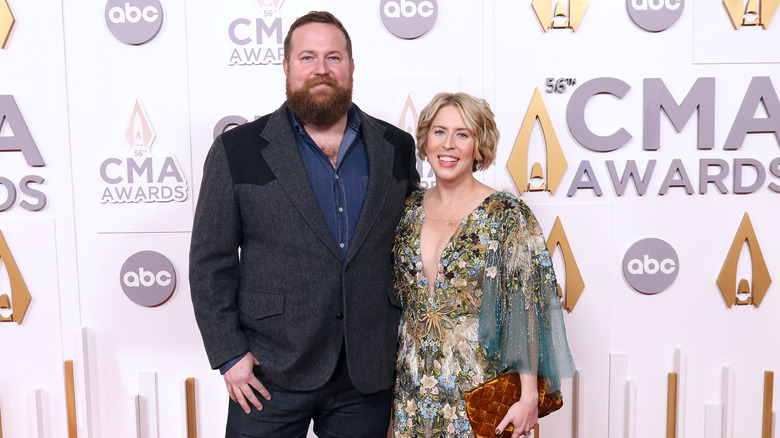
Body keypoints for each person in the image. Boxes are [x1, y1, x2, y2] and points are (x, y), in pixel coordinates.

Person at [189, 11, 420, 438]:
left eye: (333, 57)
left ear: (351, 67)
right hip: (268, 369)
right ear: (286, 67)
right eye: (307, 57)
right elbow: (210, 262)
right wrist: (228, 354)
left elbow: (413, 246)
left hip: (365, 370)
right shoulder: (238, 150)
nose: (321, 69)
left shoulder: (396, 148)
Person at [391, 92, 576, 438]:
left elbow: (528, 307)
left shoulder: (507, 215)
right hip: (412, 391)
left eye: (462, 134)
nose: (448, 144)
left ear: (479, 145)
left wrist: (527, 396)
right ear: (425, 140)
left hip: (478, 393)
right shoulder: (406, 209)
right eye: (439, 131)